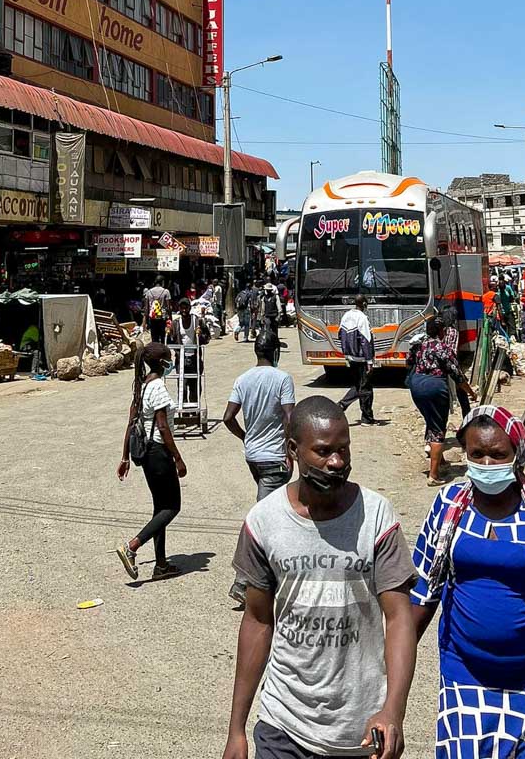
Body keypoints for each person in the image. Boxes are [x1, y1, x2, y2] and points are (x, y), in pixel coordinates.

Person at [223, 396, 418, 759]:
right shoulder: (264, 522)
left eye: (344, 450)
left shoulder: (376, 516)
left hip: (358, 732)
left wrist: (393, 710)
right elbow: (257, 621)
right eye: (324, 451)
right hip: (283, 723)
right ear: (293, 450)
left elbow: (399, 617)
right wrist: (237, 729)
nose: (337, 462)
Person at [409, 405, 525, 759]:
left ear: (518, 456)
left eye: (498, 455)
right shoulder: (449, 506)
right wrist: (388, 683)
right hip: (464, 678)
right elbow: (421, 597)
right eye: (477, 454)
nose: (487, 465)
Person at [223, 324, 296, 607]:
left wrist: (245, 437)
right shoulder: (282, 379)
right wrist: (291, 450)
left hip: (253, 457)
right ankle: (242, 581)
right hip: (275, 459)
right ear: (276, 351)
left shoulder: (243, 379)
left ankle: (272, 574)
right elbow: (290, 417)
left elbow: (228, 416)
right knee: (261, 517)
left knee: (274, 514)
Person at [116, 341, 187, 581]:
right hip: (159, 452)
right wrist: (178, 458)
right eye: (169, 358)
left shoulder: (141, 386)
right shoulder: (157, 387)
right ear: (163, 362)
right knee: (172, 507)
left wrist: (124, 456)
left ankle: (161, 565)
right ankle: (132, 546)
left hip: (146, 455)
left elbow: (130, 423)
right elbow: (163, 426)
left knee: (160, 508)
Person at [406, 312, 476, 485]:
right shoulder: (443, 349)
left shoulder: (420, 346)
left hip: (416, 386)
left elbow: (408, 362)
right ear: (441, 331)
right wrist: (471, 393)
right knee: (438, 428)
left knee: (431, 421)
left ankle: (440, 460)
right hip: (435, 387)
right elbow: (457, 375)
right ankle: (434, 475)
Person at [338, 294, 376, 426]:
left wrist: (347, 353)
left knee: (358, 385)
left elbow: (339, 334)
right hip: (361, 359)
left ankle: (343, 407)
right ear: (364, 304)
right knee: (366, 388)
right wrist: (369, 361)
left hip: (351, 357)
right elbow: (366, 340)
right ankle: (366, 418)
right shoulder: (362, 318)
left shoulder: (346, 315)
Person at [167, 296, 209, 409]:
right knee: (182, 386)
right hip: (181, 358)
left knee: (195, 386)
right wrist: (168, 333)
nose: (184, 311)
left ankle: (194, 409)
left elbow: (207, 338)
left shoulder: (197, 321)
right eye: (182, 308)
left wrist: (200, 335)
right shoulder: (176, 323)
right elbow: (170, 340)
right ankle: (184, 408)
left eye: (186, 308)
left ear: (190, 308)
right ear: (179, 309)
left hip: (195, 358)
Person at [145, 277, 171, 343]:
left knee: (154, 337)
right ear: (162, 282)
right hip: (162, 318)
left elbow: (146, 308)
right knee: (163, 337)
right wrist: (170, 318)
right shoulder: (166, 291)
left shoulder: (148, 292)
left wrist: (147, 321)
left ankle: (155, 351)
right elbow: (168, 307)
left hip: (152, 318)